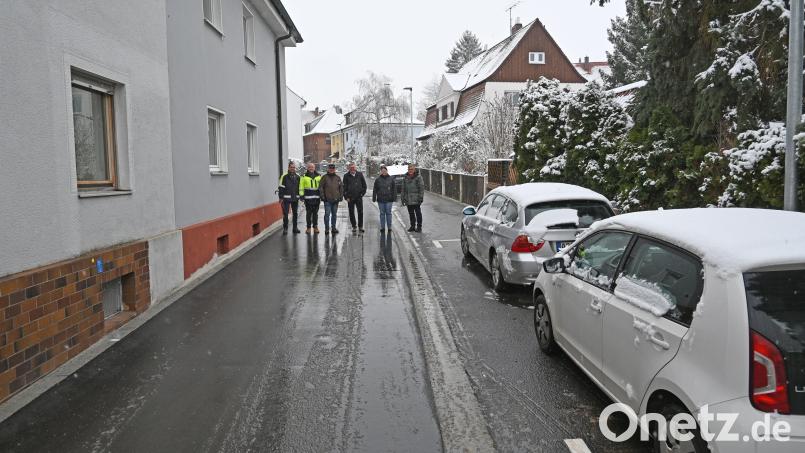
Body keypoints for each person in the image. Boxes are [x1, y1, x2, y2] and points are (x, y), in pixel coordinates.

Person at [342, 162, 367, 233]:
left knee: (360, 212)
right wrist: (346, 197)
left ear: (355, 168)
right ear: (349, 168)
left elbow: (364, 186)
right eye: (351, 168)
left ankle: (360, 226)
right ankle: (354, 226)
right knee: (351, 212)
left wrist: (362, 194)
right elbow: (344, 188)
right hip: (350, 198)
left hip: (359, 197)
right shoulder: (346, 176)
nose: (352, 169)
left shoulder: (360, 174)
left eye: (353, 167)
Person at [319, 163, 343, 235]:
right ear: (328, 169)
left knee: (334, 215)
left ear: (334, 169)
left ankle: (333, 228)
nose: (331, 170)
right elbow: (320, 188)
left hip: (336, 200)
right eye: (330, 169)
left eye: (333, 169)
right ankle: (326, 228)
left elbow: (341, 188)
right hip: (327, 200)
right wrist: (323, 197)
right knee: (327, 214)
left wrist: (341, 196)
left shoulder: (338, 178)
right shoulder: (324, 177)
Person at [278, 161, 301, 235]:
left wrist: (300, 196)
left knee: (295, 213)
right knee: (285, 214)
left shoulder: (298, 176)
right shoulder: (284, 176)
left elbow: (300, 187)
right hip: (286, 198)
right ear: (288, 168)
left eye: (294, 167)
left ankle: (295, 228)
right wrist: (281, 197)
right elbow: (281, 187)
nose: (293, 169)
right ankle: (285, 228)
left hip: (295, 198)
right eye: (291, 167)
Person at [372, 164, 396, 233]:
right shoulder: (378, 179)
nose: (383, 172)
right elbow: (375, 189)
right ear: (381, 171)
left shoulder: (391, 179)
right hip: (381, 199)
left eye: (384, 170)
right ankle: (382, 227)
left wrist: (394, 198)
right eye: (382, 171)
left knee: (388, 213)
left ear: (387, 171)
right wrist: (374, 197)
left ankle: (389, 227)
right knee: (382, 214)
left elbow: (394, 189)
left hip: (389, 199)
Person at [401, 163, 424, 232]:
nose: (410, 170)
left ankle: (419, 226)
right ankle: (412, 226)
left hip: (416, 199)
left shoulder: (418, 177)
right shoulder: (405, 177)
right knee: (411, 213)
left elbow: (421, 188)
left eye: (411, 169)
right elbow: (403, 189)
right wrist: (403, 198)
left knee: (418, 213)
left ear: (414, 169)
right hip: (408, 198)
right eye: (409, 169)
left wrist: (420, 197)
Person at [299, 163, 322, 234]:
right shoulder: (304, 177)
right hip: (308, 199)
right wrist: (301, 196)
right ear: (307, 168)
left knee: (315, 214)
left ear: (314, 168)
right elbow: (301, 187)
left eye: (312, 167)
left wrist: (322, 195)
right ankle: (308, 228)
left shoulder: (319, 176)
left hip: (317, 198)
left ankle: (315, 227)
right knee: (308, 214)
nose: (311, 168)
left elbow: (321, 187)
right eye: (309, 167)